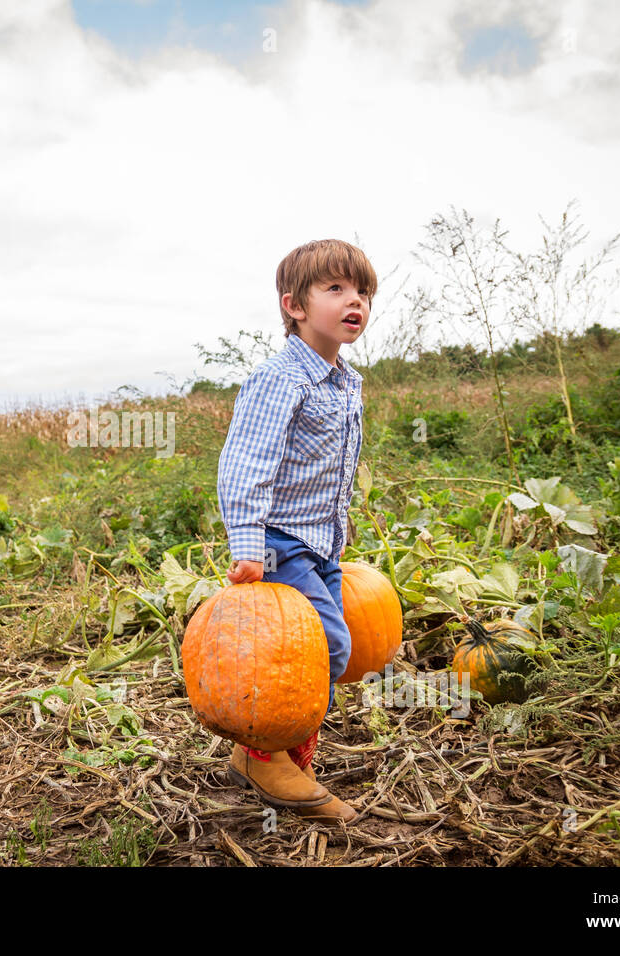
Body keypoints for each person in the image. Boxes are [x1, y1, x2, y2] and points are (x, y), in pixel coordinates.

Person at [215, 238, 377, 823]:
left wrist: (337, 526)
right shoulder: (281, 380)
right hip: (281, 544)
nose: (353, 300)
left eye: (361, 291)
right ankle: (264, 755)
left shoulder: (343, 380)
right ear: (295, 306)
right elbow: (245, 466)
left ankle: (280, 758)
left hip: (318, 541)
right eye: (335, 289)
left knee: (318, 654)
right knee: (321, 651)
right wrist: (250, 548)